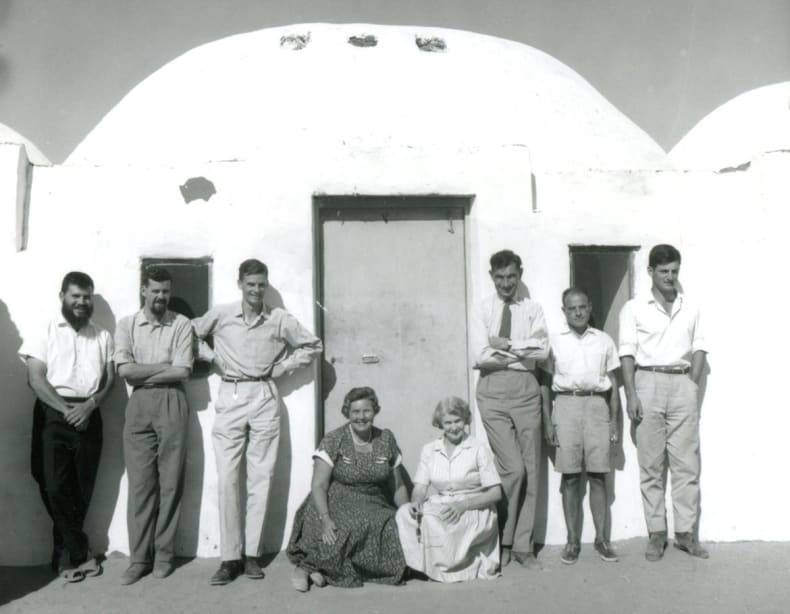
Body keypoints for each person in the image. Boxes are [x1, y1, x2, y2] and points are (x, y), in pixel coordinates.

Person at [192, 258, 322, 585]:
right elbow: (187, 333)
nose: (256, 290)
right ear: (240, 284)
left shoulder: (278, 319)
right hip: (231, 394)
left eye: (261, 285)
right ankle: (229, 558)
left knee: (261, 478)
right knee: (228, 479)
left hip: (264, 394)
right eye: (250, 284)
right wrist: (210, 356)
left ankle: (251, 555)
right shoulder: (222, 315)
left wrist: (284, 368)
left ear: (266, 286)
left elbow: (313, 345)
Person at [19, 271, 114, 582]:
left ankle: (65, 556)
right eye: (75, 296)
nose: (81, 302)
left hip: (90, 414)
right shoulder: (44, 329)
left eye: (86, 297)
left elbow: (109, 379)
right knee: (53, 485)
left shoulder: (102, 335)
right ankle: (80, 552)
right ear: (62, 297)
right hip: (52, 414)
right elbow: (35, 378)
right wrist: (65, 410)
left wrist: (90, 406)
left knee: (82, 489)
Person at [619, 244, 709, 561]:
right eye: (664, 271)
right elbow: (627, 353)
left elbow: (699, 348)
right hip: (647, 382)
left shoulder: (691, 306)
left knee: (687, 464)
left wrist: (691, 383)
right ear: (650, 273)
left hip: (682, 382)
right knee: (652, 466)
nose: (670, 277)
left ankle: (685, 534)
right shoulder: (633, 308)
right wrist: (631, 394)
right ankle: (657, 534)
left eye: (674, 271)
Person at [114, 265, 194, 584]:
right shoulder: (127, 325)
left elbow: (183, 372)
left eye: (165, 291)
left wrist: (143, 369)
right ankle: (139, 559)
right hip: (139, 403)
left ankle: (164, 555)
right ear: (143, 291)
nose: (161, 296)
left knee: (171, 481)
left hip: (173, 401)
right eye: (155, 290)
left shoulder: (182, 324)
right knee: (141, 484)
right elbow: (124, 372)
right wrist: (164, 366)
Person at [286, 387, 409, 590]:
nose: (361, 417)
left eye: (367, 411)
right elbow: (318, 485)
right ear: (347, 413)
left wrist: (406, 513)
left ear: (375, 411)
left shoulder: (386, 438)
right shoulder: (334, 440)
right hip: (335, 498)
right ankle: (306, 567)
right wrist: (325, 519)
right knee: (346, 527)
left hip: (373, 501)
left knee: (392, 526)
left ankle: (327, 570)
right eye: (356, 412)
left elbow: (398, 485)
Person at [472, 249, 549, 568]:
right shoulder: (482, 308)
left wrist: (504, 345)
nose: (506, 283)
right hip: (492, 390)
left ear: (520, 274)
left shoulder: (533, 308)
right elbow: (480, 356)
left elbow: (542, 352)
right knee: (512, 469)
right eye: (500, 277)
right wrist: (520, 349)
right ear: (492, 276)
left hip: (526, 389)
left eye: (512, 276)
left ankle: (522, 546)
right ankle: (501, 539)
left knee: (531, 468)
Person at [539, 288, 620, 565]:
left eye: (582, 307)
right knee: (571, 477)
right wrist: (548, 421)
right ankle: (572, 541)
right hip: (566, 405)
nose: (578, 312)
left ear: (589, 307)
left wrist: (614, 421)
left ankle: (602, 539)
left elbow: (614, 385)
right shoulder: (554, 341)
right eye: (572, 308)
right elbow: (545, 385)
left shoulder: (604, 340)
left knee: (598, 476)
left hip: (597, 406)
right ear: (564, 311)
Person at [396, 397, 502, 582]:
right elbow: (420, 486)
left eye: (458, 421)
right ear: (440, 424)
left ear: (466, 421)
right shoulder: (430, 450)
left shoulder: (478, 448)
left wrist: (463, 505)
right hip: (443, 501)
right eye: (448, 422)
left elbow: (496, 493)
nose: (453, 427)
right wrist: (417, 501)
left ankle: (444, 568)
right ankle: (419, 565)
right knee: (404, 513)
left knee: (432, 520)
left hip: (473, 506)